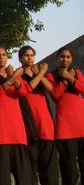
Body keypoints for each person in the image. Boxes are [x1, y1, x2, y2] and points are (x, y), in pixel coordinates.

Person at [0, 45, 34, 185]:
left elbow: (23, 93)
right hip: (1, 131)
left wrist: (13, 76)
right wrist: (14, 76)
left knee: (23, 176)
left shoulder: (14, 74)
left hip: (18, 132)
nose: (1, 57)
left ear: (7, 57)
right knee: (2, 177)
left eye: (4, 55)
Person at [18, 45, 59, 185]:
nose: (29, 58)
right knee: (31, 168)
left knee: (49, 169)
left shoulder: (42, 75)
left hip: (45, 126)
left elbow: (50, 88)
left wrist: (39, 74)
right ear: (20, 58)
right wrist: (41, 73)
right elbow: (27, 89)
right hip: (29, 127)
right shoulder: (18, 76)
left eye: (31, 55)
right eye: (26, 55)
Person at [46, 47, 84, 185]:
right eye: (62, 57)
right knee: (69, 167)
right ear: (57, 58)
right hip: (66, 128)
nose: (65, 59)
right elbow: (55, 94)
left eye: (68, 57)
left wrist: (71, 78)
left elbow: (82, 88)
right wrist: (65, 80)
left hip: (82, 124)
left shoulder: (77, 72)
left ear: (72, 59)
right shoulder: (51, 76)